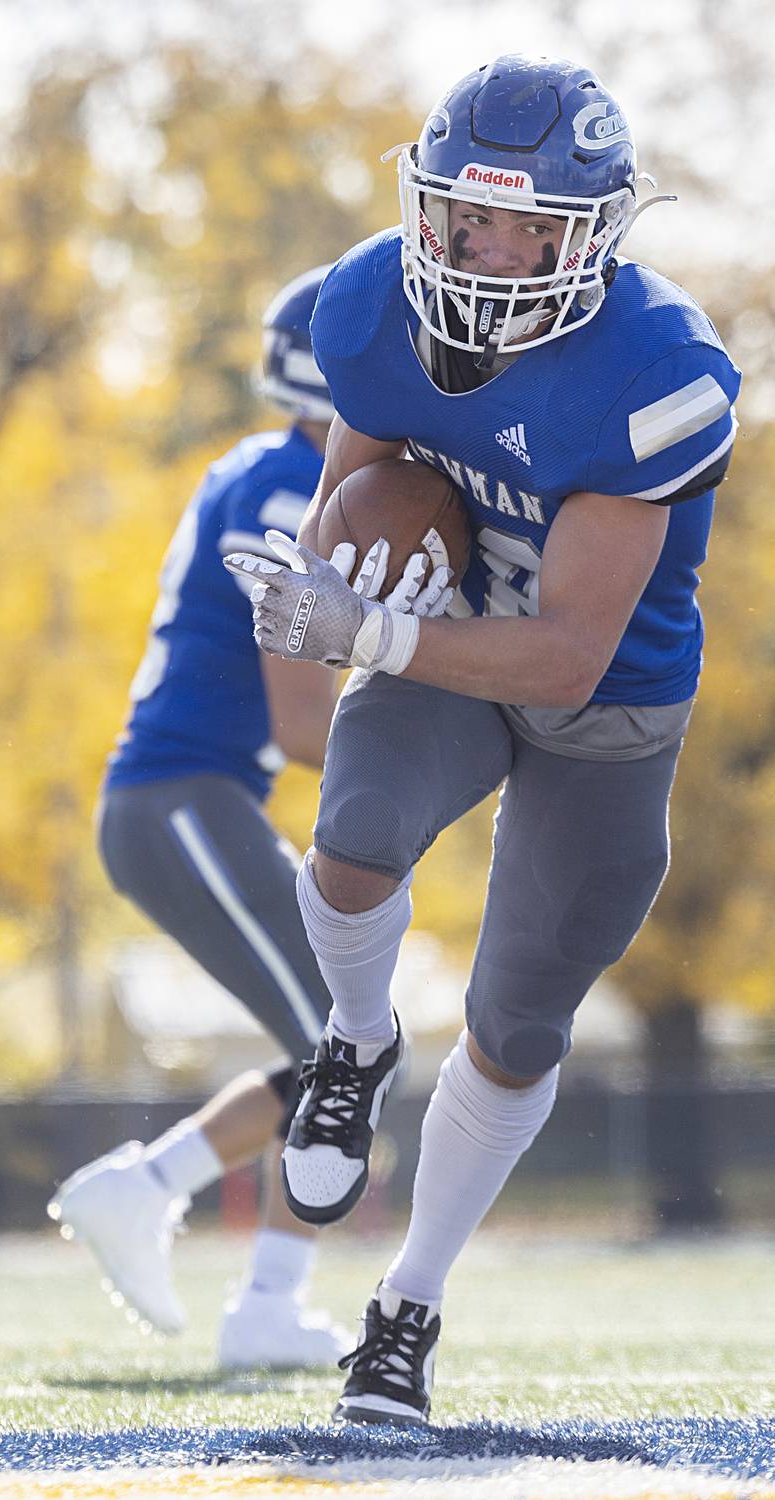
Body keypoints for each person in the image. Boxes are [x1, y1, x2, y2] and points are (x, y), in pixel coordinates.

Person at [227, 55, 742, 1422]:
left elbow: (570, 651)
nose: (498, 252)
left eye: (536, 227)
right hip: (446, 625)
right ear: (430, 207)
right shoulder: (369, 306)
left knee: (520, 1015)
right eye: (475, 217)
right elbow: (357, 493)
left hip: (605, 702)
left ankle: (406, 1307)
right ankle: (353, 1037)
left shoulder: (661, 372)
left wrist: (376, 638)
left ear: (597, 232)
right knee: (354, 837)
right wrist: (322, 586)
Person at [48, 266, 353, 1371]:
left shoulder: (272, 469)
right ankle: (232, 1270)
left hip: (188, 800)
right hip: (180, 797)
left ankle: (161, 1201)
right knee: (347, 1046)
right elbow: (305, 723)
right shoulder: (288, 491)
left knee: (343, 1048)